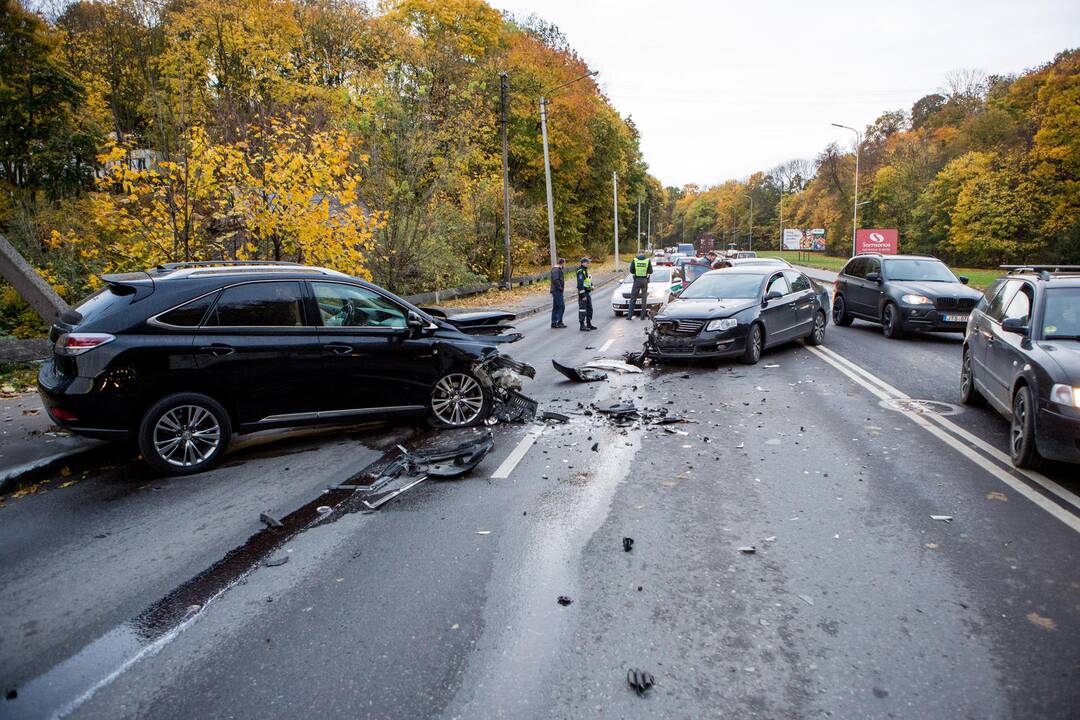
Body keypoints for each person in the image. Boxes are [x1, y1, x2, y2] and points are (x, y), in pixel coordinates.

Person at [627, 251, 652, 319]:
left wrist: (636, 271)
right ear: (644, 254)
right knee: (644, 299)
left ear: (638, 253)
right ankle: (642, 316)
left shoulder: (635, 260)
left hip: (637, 280)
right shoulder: (647, 260)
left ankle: (629, 316)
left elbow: (631, 271)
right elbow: (650, 271)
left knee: (633, 298)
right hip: (644, 281)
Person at [576, 257, 597, 331]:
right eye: (587, 262)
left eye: (588, 262)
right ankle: (582, 326)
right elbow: (580, 284)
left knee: (589, 309)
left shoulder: (585, 270)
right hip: (583, 293)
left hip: (587, 292)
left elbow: (587, 280)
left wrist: (591, 285)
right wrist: (583, 295)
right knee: (582, 309)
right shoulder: (580, 271)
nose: (588, 264)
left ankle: (589, 324)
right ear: (583, 263)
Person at [549, 258, 567, 328]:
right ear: (562, 263)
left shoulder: (556, 269)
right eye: (564, 263)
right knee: (561, 306)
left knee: (556, 307)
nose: (564, 265)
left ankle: (554, 323)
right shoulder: (556, 270)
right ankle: (559, 322)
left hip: (556, 290)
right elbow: (555, 280)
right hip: (557, 290)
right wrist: (560, 288)